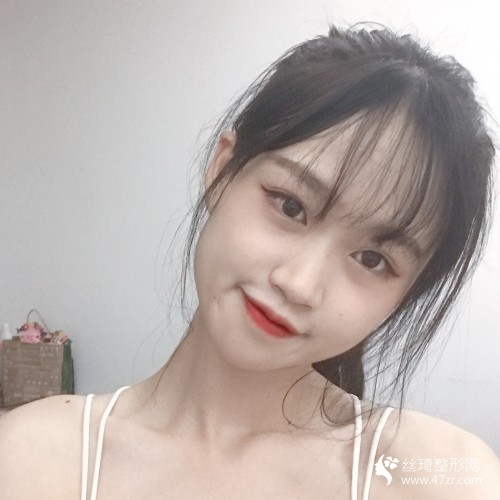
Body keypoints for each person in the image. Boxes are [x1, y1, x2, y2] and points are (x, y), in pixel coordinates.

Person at [0, 23, 499, 500]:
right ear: (222, 169)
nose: (299, 284)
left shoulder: (444, 478)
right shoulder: (32, 459)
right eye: (291, 206)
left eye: (372, 259)